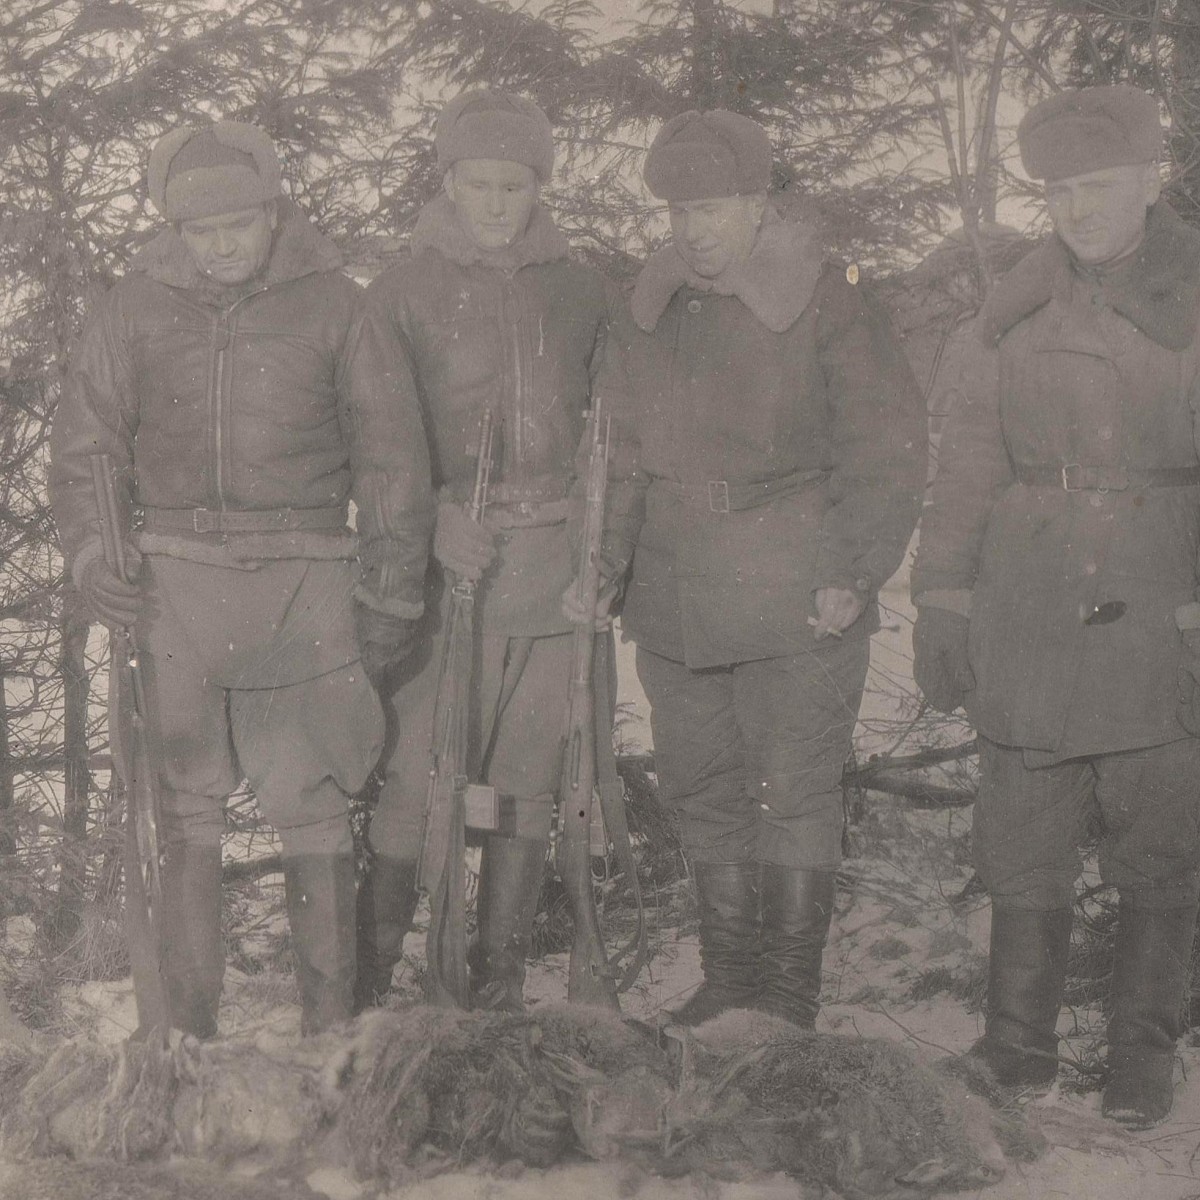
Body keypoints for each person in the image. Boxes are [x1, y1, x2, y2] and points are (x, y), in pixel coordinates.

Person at [49, 121, 432, 1036]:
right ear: (175, 231)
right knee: (186, 810)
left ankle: (330, 1029)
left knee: (312, 804)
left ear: (273, 212)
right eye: (199, 231)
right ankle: (187, 1032)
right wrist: (96, 556)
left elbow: (392, 461)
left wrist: (390, 590)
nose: (220, 247)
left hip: (306, 581)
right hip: (176, 582)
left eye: (237, 225)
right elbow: (84, 447)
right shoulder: (131, 311)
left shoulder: (340, 305)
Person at [911, 84, 1200, 1127]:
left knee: (1160, 835)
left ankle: (1140, 1068)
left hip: (1163, 586)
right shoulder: (1014, 311)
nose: (1077, 211)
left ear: (1152, 180)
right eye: (1061, 191)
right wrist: (943, 594)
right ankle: (1014, 1054)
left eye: (1099, 187)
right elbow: (968, 465)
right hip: (1031, 592)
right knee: (1023, 823)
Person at [600, 110, 925, 1028]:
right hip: (675, 589)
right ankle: (731, 979)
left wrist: (853, 567)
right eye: (678, 212)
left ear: (758, 204)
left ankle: (785, 994)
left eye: (713, 207)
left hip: (795, 585)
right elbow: (621, 454)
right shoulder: (648, 309)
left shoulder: (827, 299)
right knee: (702, 784)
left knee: (794, 788)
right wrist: (608, 561)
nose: (693, 230)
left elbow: (888, 447)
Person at [350, 89, 631, 1012]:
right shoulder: (402, 290)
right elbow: (378, 437)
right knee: (420, 774)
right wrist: (432, 517)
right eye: (479, 184)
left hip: (551, 567)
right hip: (445, 574)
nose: (497, 202)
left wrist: (603, 554)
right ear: (448, 183)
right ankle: (375, 978)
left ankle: (498, 977)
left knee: (524, 780)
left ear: (540, 187)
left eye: (514, 185)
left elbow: (622, 436)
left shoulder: (582, 288)